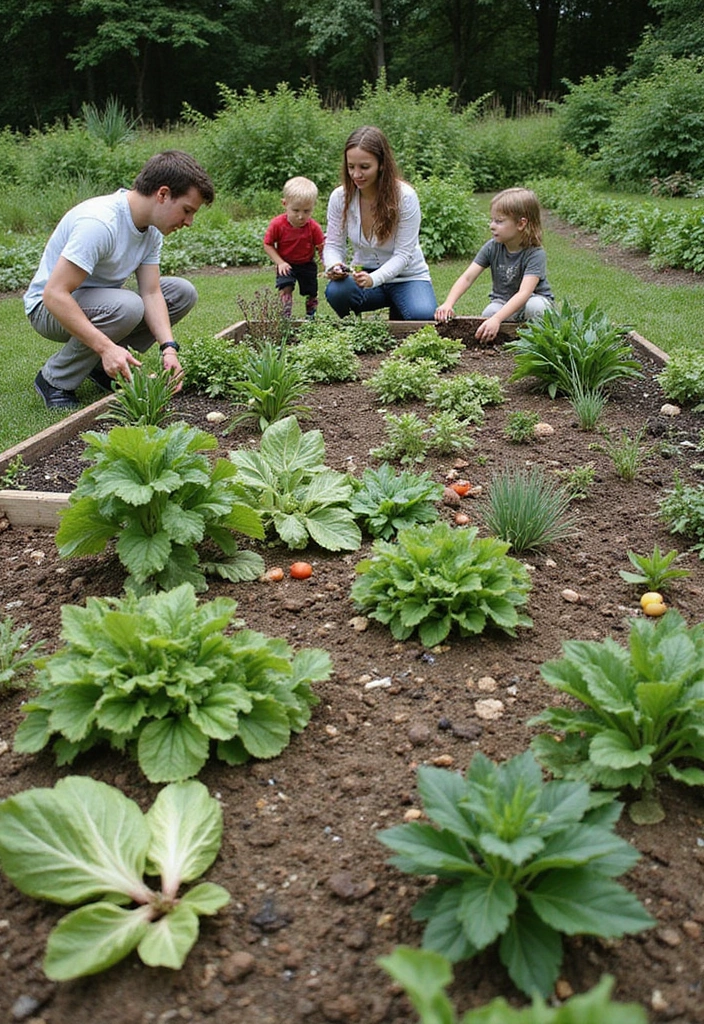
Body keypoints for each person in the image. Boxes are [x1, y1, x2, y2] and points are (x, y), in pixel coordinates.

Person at [25, 149, 215, 409]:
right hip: (47, 309)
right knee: (127, 306)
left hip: (100, 305)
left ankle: (101, 367)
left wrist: (168, 348)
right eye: (186, 210)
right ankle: (55, 380)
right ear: (162, 194)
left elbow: (151, 292)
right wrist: (105, 347)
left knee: (181, 292)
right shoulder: (100, 222)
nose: (189, 221)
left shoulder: (151, 231)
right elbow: (54, 294)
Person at [323, 126, 437, 321]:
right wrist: (334, 265)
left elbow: (403, 254)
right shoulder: (339, 197)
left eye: (364, 167)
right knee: (337, 291)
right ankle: (353, 331)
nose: (356, 174)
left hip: (407, 277)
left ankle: (402, 303)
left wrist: (374, 279)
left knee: (422, 315)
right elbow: (333, 244)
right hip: (363, 275)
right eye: (351, 167)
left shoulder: (405, 197)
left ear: (382, 164)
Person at [435, 187, 554, 342]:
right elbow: (467, 278)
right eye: (491, 220)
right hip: (503, 303)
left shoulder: (534, 253)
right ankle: (512, 340)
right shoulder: (492, 247)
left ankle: (540, 343)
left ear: (521, 224)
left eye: (499, 221)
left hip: (531, 301)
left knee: (536, 308)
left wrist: (497, 319)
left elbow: (524, 293)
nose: (492, 226)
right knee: (488, 315)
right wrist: (448, 303)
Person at [263, 176, 326, 319]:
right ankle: (285, 318)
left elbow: (321, 246)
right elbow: (268, 244)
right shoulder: (278, 224)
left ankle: (310, 316)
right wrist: (280, 262)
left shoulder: (313, 227)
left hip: (307, 263)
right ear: (285, 204)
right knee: (285, 287)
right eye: (296, 210)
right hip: (286, 263)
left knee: (311, 291)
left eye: (306, 211)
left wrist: (326, 263)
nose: (301, 216)